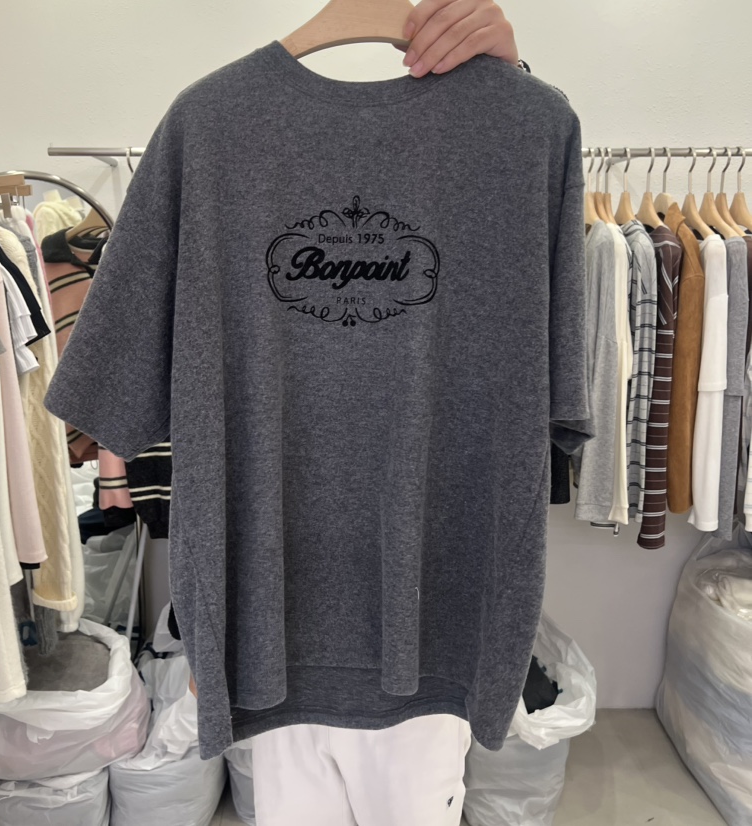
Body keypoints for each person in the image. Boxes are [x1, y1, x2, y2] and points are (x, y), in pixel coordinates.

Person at [175, 5, 525, 824]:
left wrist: (508, 86)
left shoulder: (525, 131)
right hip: (272, 653)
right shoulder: (206, 129)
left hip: (427, 656)